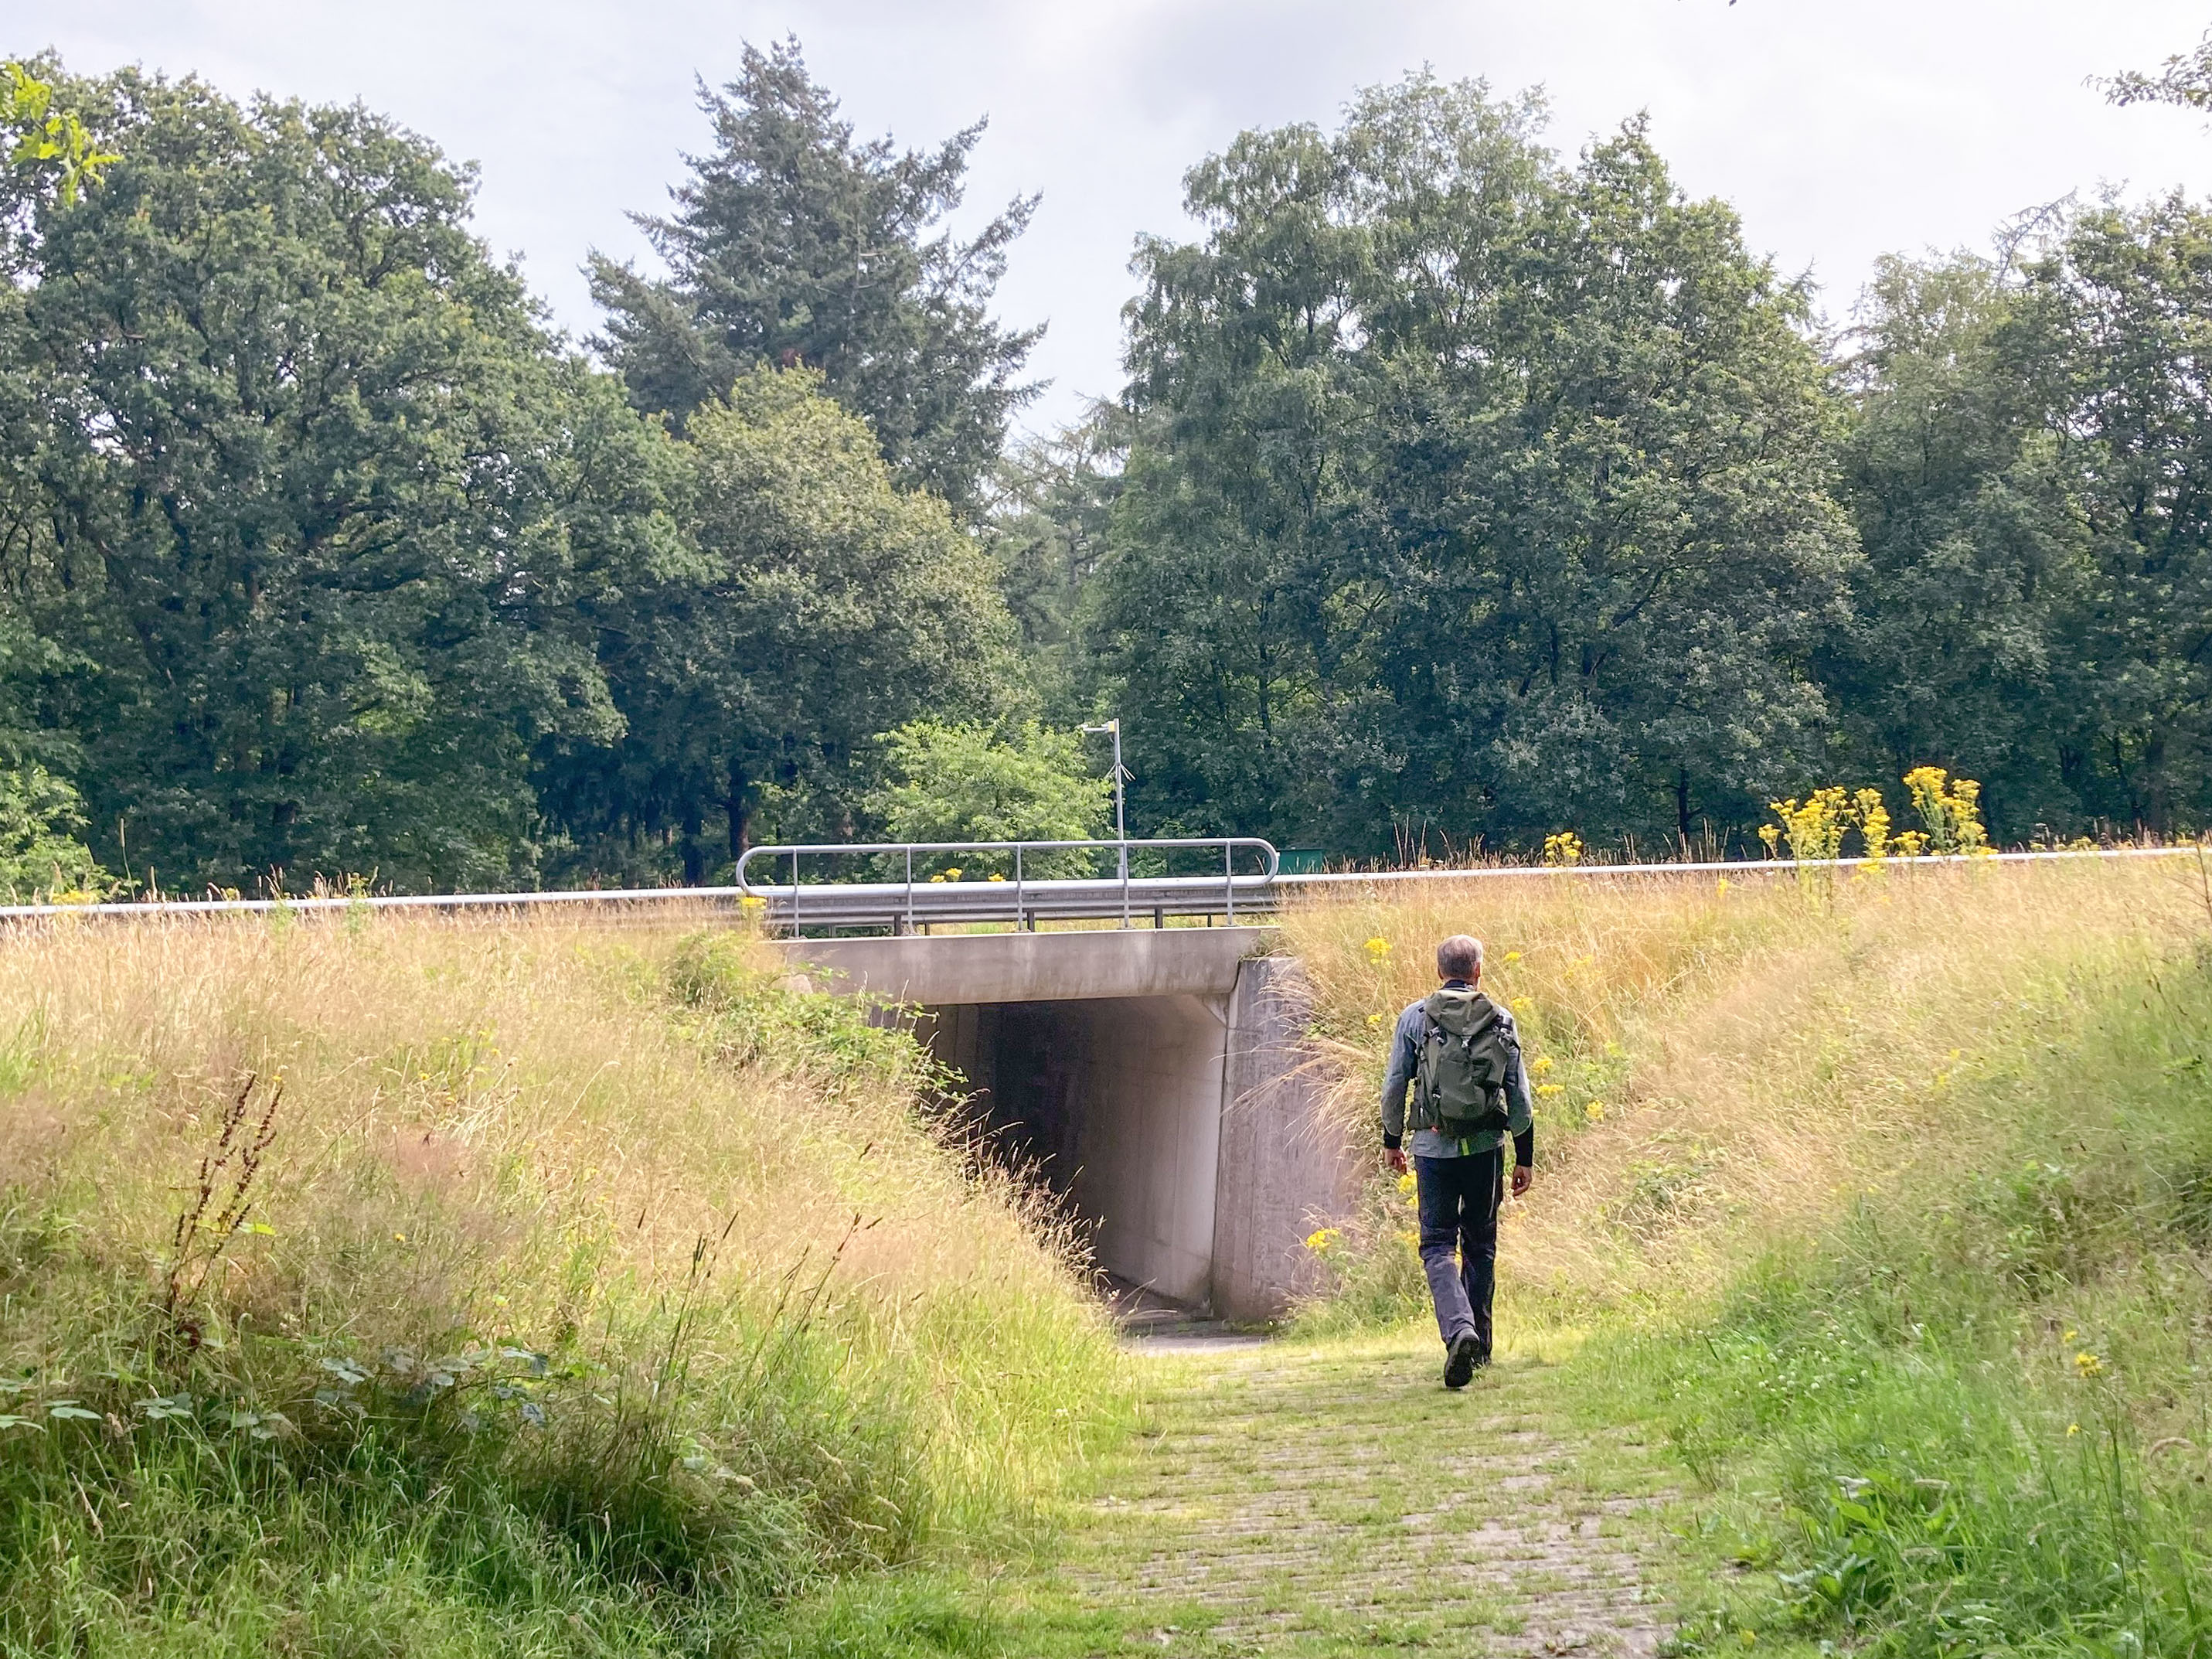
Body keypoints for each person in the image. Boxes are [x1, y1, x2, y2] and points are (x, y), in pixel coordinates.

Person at [1380, 934, 1535, 1388]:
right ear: (1478, 971)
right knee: (1481, 1244)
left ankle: (1458, 1330)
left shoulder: (1415, 1017)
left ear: (1439, 971)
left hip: (1433, 1149)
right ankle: (1479, 1347)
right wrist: (1524, 1156)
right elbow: (1519, 1095)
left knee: (1437, 1245)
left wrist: (1392, 1140)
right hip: (1486, 1149)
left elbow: (1395, 1086)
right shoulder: (1500, 1018)